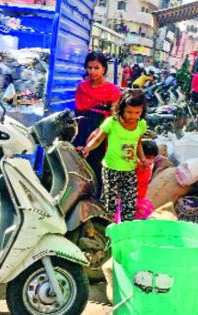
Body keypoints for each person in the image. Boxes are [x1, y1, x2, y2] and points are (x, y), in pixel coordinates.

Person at [82, 89, 149, 222]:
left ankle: (125, 232)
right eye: (129, 112)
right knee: (109, 204)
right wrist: (88, 148)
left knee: (129, 205)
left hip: (130, 170)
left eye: (137, 113)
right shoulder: (112, 122)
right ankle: (106, 231)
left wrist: (143, 159)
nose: (133, 116)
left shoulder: (141, 124)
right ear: (121, 108)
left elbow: (138, 143)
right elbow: (98, 139)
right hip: (111, 169)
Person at [74, 51, 121, 197]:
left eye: (96, 68)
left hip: (101, 131)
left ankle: (94, 197)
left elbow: (114, 115)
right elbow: (78, 111)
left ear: (104, 69)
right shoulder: (82, 87)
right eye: (89, 68)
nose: (92, 71)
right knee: (79, 162)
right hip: (82, 129)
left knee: (96, 165)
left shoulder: (113, 90)